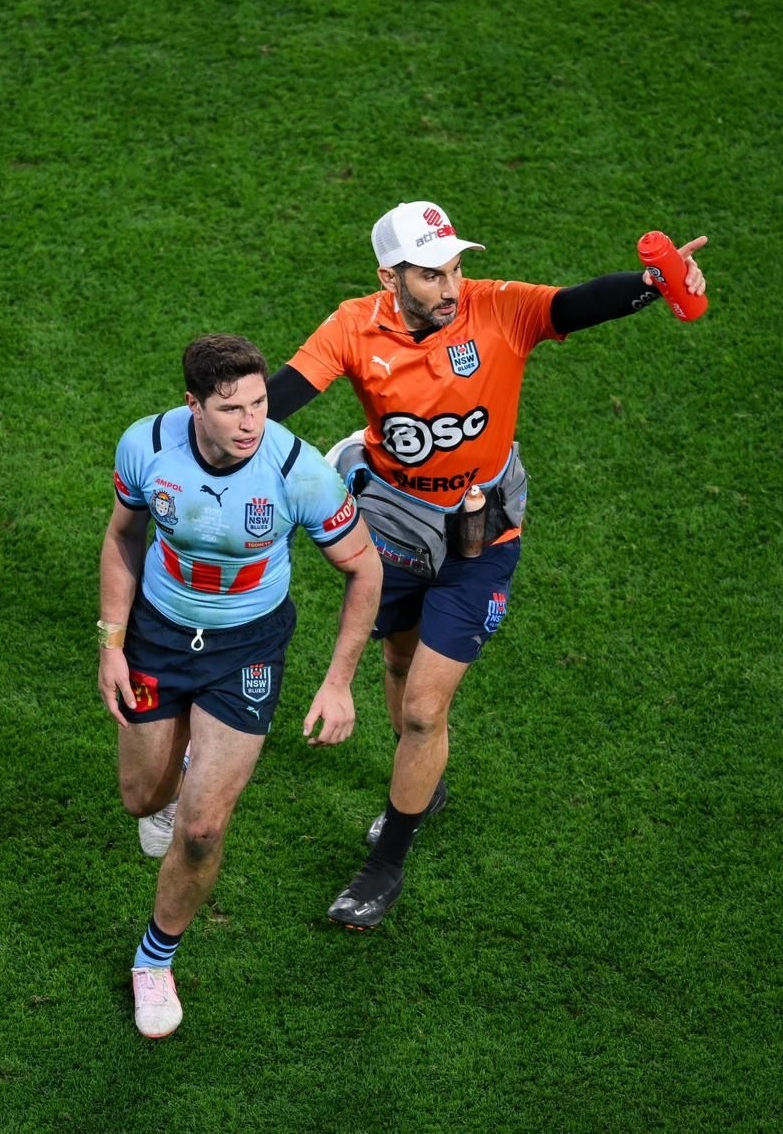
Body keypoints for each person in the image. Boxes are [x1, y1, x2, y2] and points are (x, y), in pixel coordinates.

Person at [263, 199, 708, 931]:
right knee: (399, 665)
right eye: (432, 274)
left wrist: (652, 282)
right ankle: (423, 785)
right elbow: (285, 394)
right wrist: (208, 426)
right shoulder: (352, 325)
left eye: (455, 266)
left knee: (420, 709)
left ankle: (385, 866)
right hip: (393, 525)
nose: (451, 286)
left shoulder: (495, 309)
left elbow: (573, 304)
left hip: (481, 532)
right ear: (390, 276)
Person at [98, 333, 382, 1037]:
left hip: (245, 653)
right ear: (193, 405)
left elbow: (364, 568)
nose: (252, 421)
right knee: (142, 801)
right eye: (231, 408)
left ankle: (154, 959)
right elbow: (123, 537)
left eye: (258, 403)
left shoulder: (298, 472)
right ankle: (181, 765)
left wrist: (338, 682)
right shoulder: (147, 446)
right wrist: (109, 643)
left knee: (199, 828)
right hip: (157, 639)